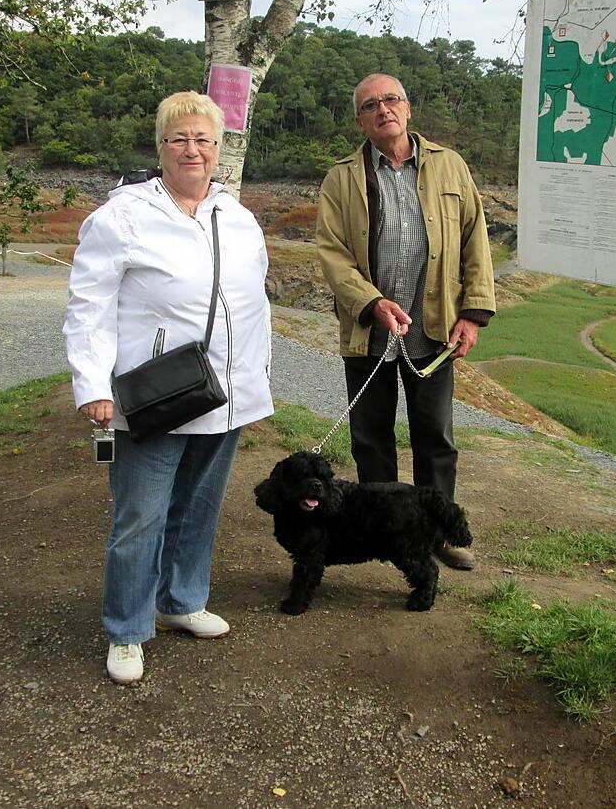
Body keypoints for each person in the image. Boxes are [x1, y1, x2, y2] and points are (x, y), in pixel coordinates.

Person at [63, 91, 273, 685]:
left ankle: (180, 601)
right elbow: (89, 306)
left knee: (199, 507)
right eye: (179, 139)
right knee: (141, 514)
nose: (193, 150)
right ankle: (127, 629)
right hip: (154, 394)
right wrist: (93, 384)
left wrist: (254, 381)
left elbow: (253, 302)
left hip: (223, 393)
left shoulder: (237, 217)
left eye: (204, 139)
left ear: (219, 148)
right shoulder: (122, 217)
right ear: (161, 147)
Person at [315, 73, 496, 571]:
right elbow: (332, 255)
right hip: (370, 330)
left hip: (433, 331)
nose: (383, 110)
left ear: (409, 108)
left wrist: (474, 314)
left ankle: (438, 534)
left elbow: (474, 242)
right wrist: (372, 302)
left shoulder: (450, 166)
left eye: (391, 100)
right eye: (370, 105)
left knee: (434, 435)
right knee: (370, 437)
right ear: (360, 120)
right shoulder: (340, 178)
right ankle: (380, 532)